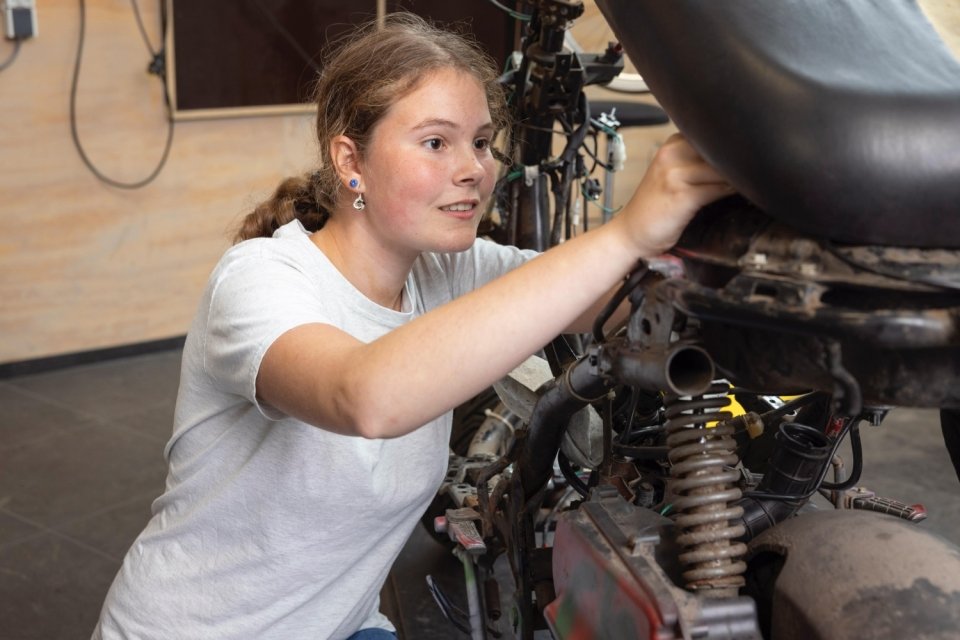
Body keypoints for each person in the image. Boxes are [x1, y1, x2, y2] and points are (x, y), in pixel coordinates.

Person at [92, 12, 732, 640]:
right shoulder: (260, 279)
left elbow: (606, 298)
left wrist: (718, 236)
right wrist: (625, 233)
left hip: (343, 627)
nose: (474, 168)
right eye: (436, 143)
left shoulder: (448, 269)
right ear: (351, 160)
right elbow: (366, 397)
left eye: (481, 142)